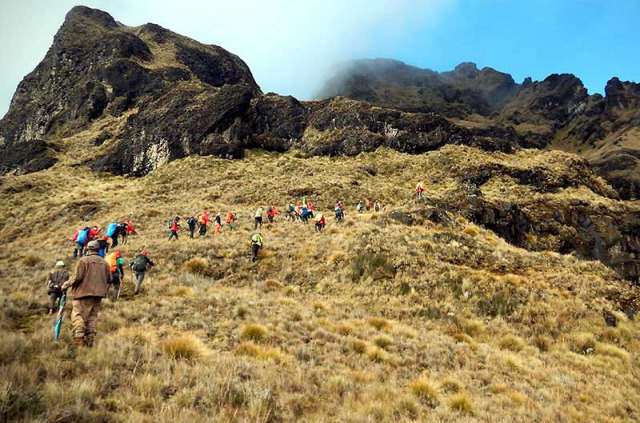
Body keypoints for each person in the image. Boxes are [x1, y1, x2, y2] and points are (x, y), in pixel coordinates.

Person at [61, 241, 111, 348]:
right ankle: (90, 342)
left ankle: (79, 343)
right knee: (92, 317)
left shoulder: (83, 260)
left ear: (88, 249)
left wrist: (66, 284)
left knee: (78, 315)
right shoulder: (104, 262)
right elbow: (109, 279)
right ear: (98, 249)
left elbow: (77, 277)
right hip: (98, 295)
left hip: (83, 293)